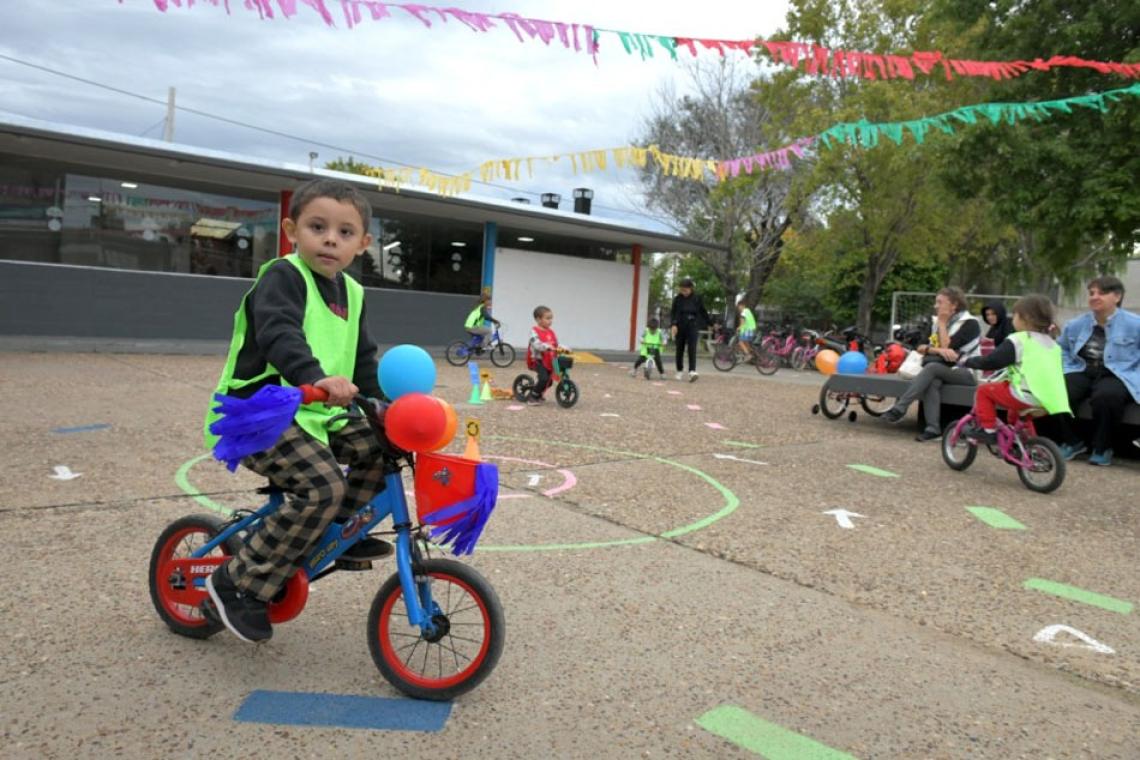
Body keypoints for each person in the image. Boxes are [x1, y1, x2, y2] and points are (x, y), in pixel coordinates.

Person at [202, 179, 394, 643]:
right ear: (292, 230)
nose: (331, 239)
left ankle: (333, 531)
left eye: (345, 232)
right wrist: (314, 376)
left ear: (363, 244)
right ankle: (235, 583)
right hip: (260, 414)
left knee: (385, 447)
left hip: (317, 415)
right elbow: (279, 332)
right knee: (322, 484)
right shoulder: (282, 277)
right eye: (317, 226)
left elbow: (363, 359)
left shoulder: (354, 292)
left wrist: (383, 406)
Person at [1053, 276, 1140, 466]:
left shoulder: (1135, 324)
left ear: (1117, 297)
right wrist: (1066, 369)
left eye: (1101, 293)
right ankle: (1072, 442)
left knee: (1107, 396)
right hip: (1082, 368)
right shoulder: (1075, 324)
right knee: (1060, 390)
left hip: (1117, 371)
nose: (1094, 297)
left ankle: (1102, 447)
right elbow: (1062, 349)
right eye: (1092, 293)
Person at [960, 295, 1070, 444]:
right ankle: (1028, 442)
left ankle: (988, 430)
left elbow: (992, 361)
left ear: (1026, 318)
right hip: (1048, 399)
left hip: (1025, 395)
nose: (1013, 319)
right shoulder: (1052, 343)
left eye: (1015, 315)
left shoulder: (1019, 340)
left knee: (984, 391)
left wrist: (968, 361)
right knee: (1016, 413)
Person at [881, 287, 982, 441]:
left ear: (954, 305)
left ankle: (900, 407)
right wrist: (936, 350)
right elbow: (920, 347)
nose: (936, 306)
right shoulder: (934, 322)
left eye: (940, 302)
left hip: (966, 371)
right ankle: (933, 428)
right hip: (942, 369)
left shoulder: (970, 324)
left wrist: (942, 324)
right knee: (933, 380)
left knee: (932, 368)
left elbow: (948, 348)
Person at [670, 277, 709, 382]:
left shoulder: (697, 298)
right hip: (680, 325)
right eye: (681, 290)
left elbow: (703, 311)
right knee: (679, 349)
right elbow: (673, 313)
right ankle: (679, 370)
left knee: (692, 349)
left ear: (691, 288)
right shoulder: (677, 299)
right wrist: (673, 325)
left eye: (685, 290)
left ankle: (692, 371)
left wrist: (710, 323)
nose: (683, 292)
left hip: (692, 325)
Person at [527, 305, 564, 404]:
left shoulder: (551, 332)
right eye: (547, 318)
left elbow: (556, 343)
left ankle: (538, 394)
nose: (550, 321)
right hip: (537, 360)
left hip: (549, 360)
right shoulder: (534, 331)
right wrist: (546, 346)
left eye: (551, 318)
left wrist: (562, 348)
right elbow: (536, 343)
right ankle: (533, 396)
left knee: (549, 381)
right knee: (544, 379)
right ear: (538, 319)